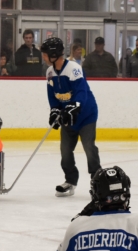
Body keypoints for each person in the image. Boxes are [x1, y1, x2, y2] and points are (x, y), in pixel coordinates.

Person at [41, 37, 101, 197]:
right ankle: (70, 181)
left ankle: (97, 182)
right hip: (68, 116)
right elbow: (52, 95)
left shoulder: (73, 68)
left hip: (86, 115)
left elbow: (81, 91)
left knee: (89, 148)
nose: (43, 57)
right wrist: (55, 110)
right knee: (65, 151)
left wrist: (75, 106)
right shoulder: (50, 72)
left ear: (54, 55)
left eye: (45, 54)